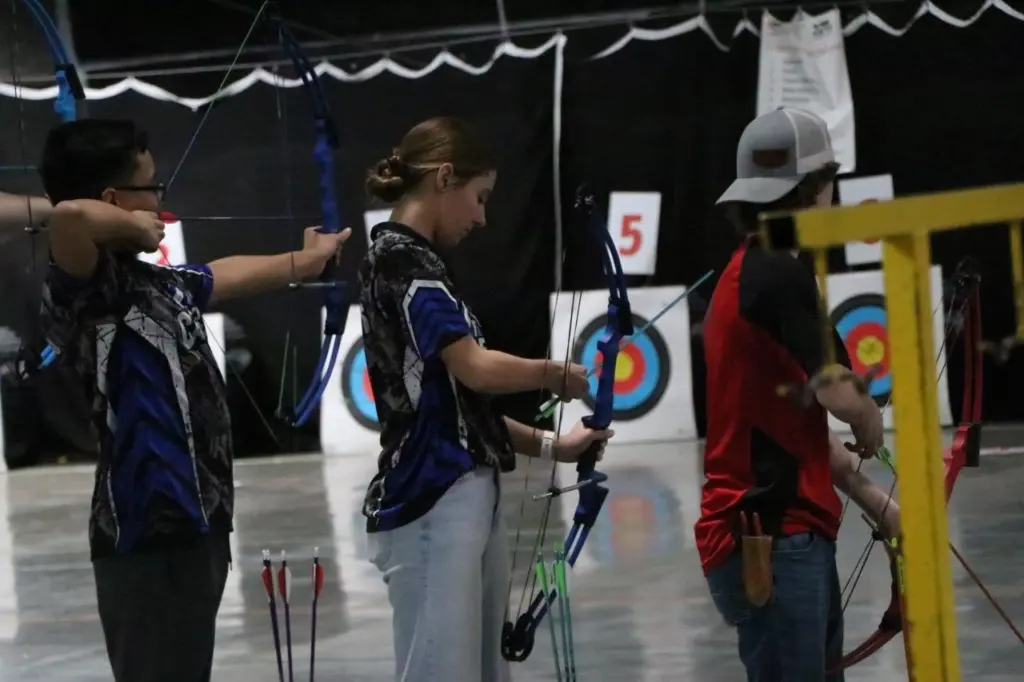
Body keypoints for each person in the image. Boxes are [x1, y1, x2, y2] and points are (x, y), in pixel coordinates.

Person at [37, 119, 351, 682]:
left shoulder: (155, 284)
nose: (161, 201)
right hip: (144, 533)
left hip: (199, 524)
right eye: (151, 188)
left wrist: (303, 263)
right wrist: (133, 225)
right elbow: (68, 217)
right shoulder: (85, 291)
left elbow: (216, 275)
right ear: (114, 199)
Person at [359, 116, 614, 682]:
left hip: (460, 497)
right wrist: (551, 374)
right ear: (444, 177)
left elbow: (461, 410)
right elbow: (474, 369)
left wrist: (554, 446)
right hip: (431, 501)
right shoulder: (402, 260)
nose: (481, 217)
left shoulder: (420, 264)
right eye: (479, 197)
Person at [695, 108, 896, 682]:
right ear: (814, 188)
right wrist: (867, 415)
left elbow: (786, 429)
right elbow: (837, 392)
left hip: (778, 533)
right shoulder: (773, 274)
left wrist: (881, 506)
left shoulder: (762, 270)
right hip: (772, 536)